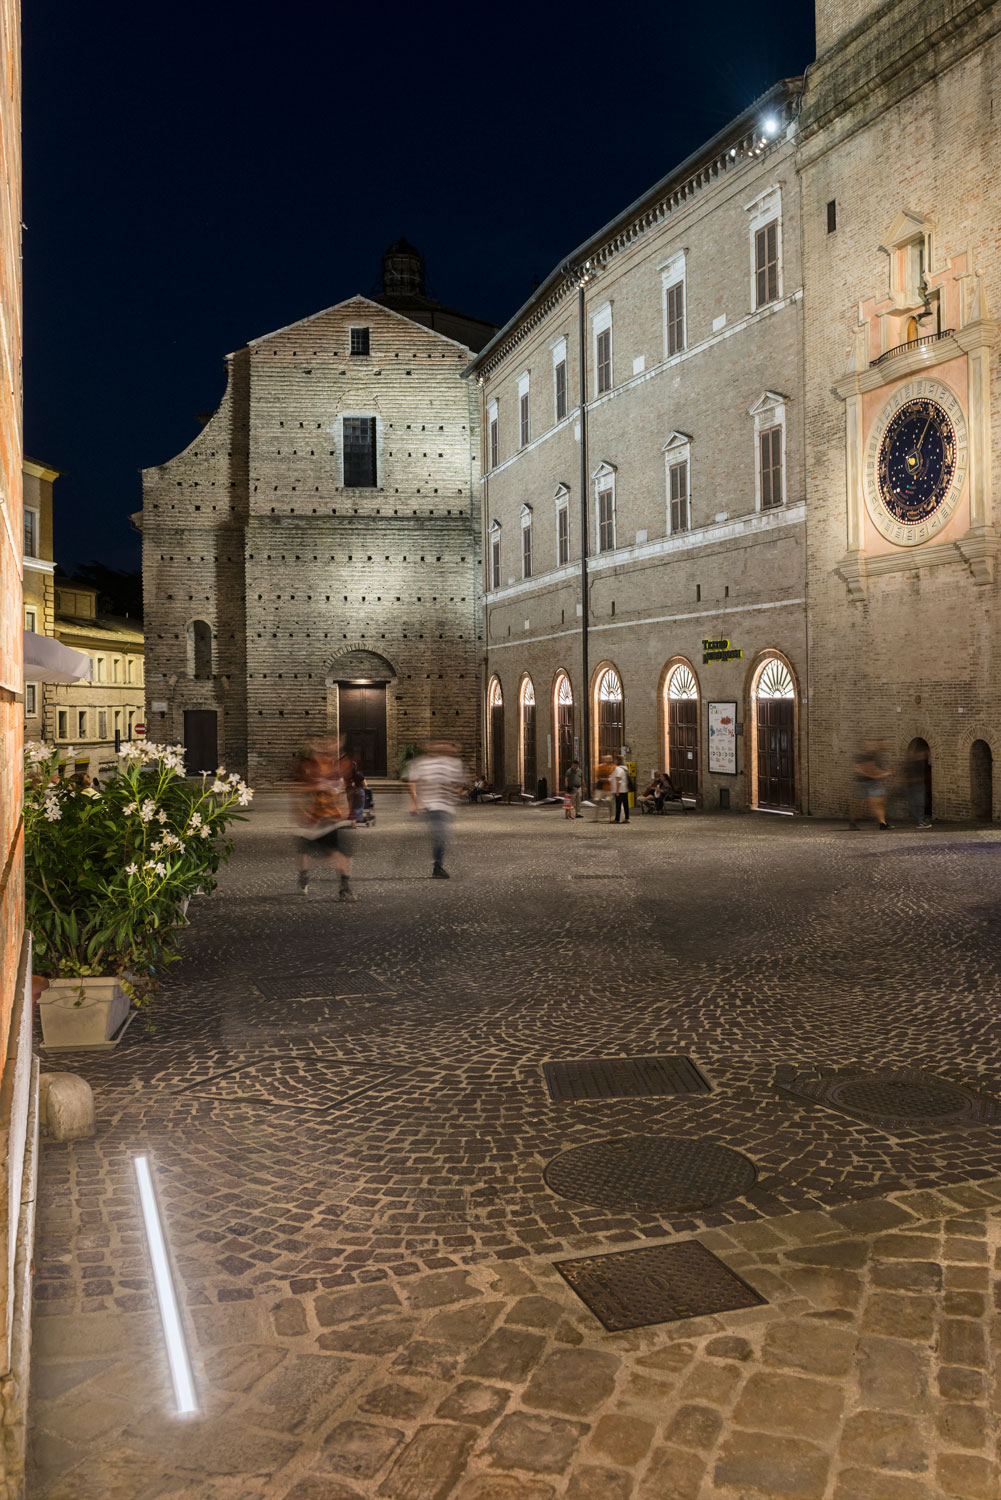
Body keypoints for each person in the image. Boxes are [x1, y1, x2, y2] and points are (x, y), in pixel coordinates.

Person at [295, 741, 356, 899]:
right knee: (305, 851)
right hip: (312, 820)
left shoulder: (337, 768)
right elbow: (302, 791)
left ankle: (345, 887)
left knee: (339, 853)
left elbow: (344, 792)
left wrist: (348, 813)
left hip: (330, 819)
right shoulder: (309, 769)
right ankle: (304, 877)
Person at [406, 739, 465, 878]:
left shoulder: (453, 764)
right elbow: (413, 782)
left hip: (446, 806)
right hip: (432, 805)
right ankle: (437, 867)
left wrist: (456, 792)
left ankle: (438, 863)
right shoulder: (422, 763)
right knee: (441, 834)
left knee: (440, 835)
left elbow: (456, 783)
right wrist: (415, 802)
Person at [849, 738, 892, 830]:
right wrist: (881, 774)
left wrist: (883, 773)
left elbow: (874, 769)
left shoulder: (874, 756)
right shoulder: (859, 757)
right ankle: (852, 822)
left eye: (871, 744)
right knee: (858, 804)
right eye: (868, 744)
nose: (871, 746)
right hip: (861, 782)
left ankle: (882, 823)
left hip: (873, 783)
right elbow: (860, 769)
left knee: (877, 802)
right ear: (863, 747)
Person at [902, 742, 932, 829]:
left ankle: (920, 821)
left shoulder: (914, 761)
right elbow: (913, 775)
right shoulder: (917, 762)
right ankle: (920, 822)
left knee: (917, 803)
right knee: (919, 803)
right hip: (916, 785)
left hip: (914, 785)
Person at [593, 755, 614, 822]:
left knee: (610, 803)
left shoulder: (614, 767)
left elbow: (613, 778)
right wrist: (607, 779)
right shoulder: (601, 767)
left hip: (609, 789)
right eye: (606, 759)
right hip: (600, 788)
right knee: (597, 801)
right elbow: (598, 777)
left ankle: (611, 817)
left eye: (609, 759)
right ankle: (596, 817)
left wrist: (607, 779)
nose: (608, 760)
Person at [610, 755, 630, 824]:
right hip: (625, 789)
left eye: (615, 760)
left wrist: (617, 790)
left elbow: (619, 779)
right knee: (625, 804)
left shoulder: (618, 769)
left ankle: (617, 819)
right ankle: (627, 818)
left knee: (618, 805)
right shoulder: (625, 768)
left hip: (620, 790)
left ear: (617, 760)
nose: (613, 761)